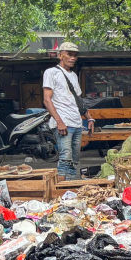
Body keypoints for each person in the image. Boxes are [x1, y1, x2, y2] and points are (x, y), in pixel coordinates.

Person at [42, 42, 93, 180]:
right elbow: (47, 100)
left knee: (74, 159)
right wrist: (59, 122)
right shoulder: (51, 72)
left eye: (75, 55)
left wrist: (89, 118)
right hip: (63, 123)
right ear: (60, 55)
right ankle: (60, 187)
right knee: (65, 157)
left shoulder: (74, 76)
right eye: (69, 54)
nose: (73, 58)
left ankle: (69, 187)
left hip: (76, 122)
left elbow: (78, 100)